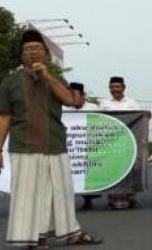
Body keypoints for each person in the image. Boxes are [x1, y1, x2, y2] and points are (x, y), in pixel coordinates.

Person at [0, 29, 101, 248]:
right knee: (28, 194)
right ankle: (33, 238)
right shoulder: (10, 82)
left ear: (46, 53)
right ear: (22, 55)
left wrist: (47, 77)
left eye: (37, 49)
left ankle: (71, 232)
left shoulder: (56, 78)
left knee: (61, 193)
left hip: (55, 143)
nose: (33, 53)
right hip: (24, 146)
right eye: (28, 49)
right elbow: (3, 117)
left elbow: (71, 100)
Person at [99, 76, 141, 210]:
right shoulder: (104, 104)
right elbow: (99, 121)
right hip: (111, 142)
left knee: (130, 169)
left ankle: (131, 197)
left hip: (128, 141)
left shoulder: (132, 103)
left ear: (123, 88)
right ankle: (113, 198)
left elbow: (140, 119)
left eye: (117, 87)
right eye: (112, 87)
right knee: (113, 169)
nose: (114, 89)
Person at [65, 83, 100, 211]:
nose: (72, 98)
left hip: (91, 146)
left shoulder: (94, 108)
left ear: (83, 95)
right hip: (72, 147)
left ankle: (88, 199)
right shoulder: (64, 110)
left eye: (74, 95)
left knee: (89, 173)